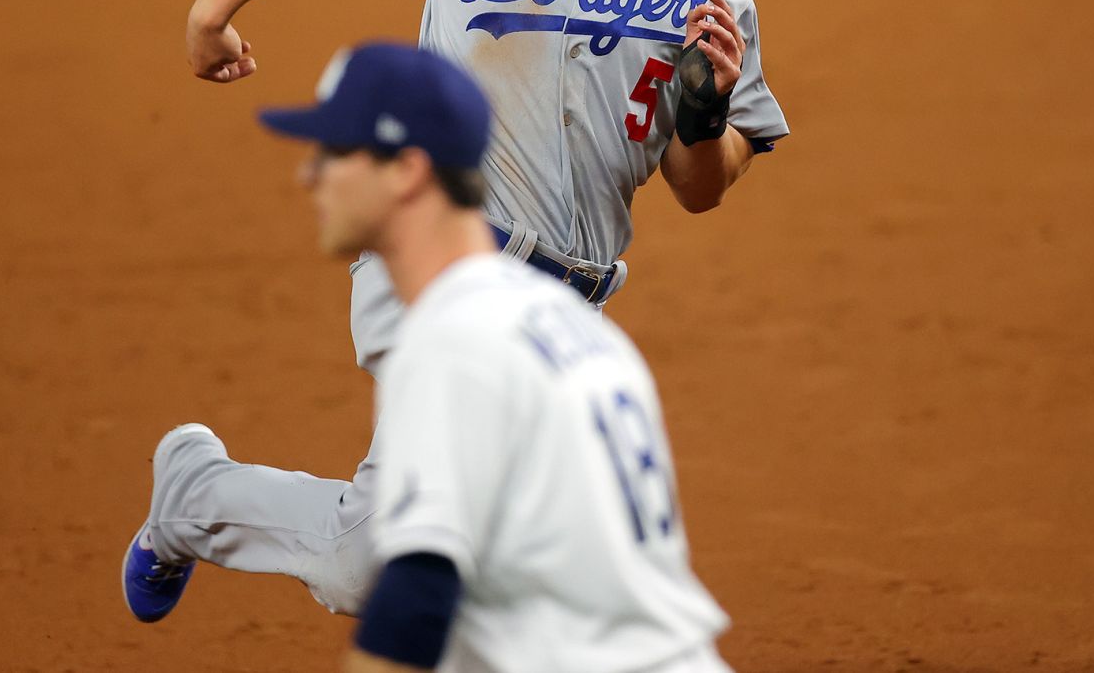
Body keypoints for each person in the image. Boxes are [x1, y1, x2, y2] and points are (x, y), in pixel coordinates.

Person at [123, 0, 789, 622]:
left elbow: (700, 187)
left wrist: (702, 105)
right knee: (408, 567)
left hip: (562, 315)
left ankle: (197, 499)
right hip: (440, 261)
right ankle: (197, 494)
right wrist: (215, 6)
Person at [178, 43, 741, 672]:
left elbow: (417, 598)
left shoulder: (454, 342)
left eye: (336, 152)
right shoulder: (580, 330)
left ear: (406, 171)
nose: (310, 174)